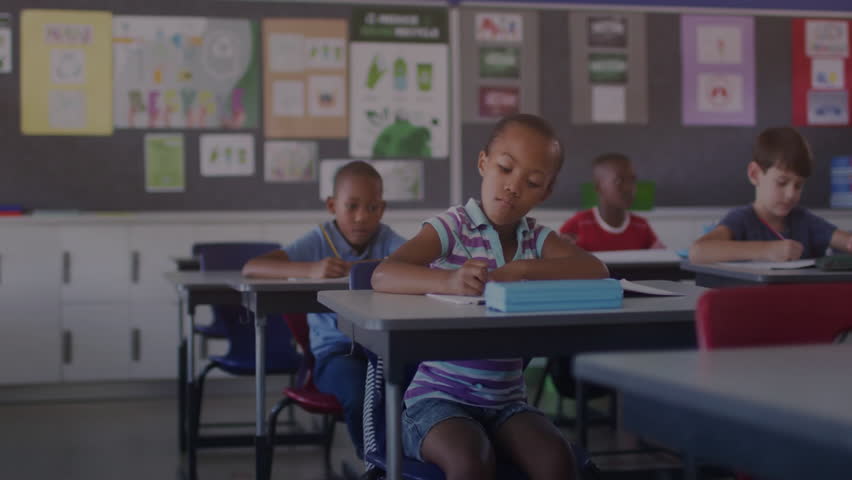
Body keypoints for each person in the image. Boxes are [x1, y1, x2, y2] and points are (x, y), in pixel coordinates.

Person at [371, 113, 608, 480]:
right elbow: (383, 274)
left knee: (556, 461)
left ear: (545, 192)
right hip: (437, 400)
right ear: (483, 163)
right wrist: (447, 280)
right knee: (471, 461)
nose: (513, 187)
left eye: (531, 182)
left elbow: (596, 271)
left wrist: (521, 270)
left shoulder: (536, 239)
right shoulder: (453, 227)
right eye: (505, 168)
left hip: (507, 403)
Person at [242, 160, 405, 457]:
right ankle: (374, 462)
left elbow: (417, 263)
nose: (361, 217)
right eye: (351, 206)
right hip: (335, 355)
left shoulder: (386, 239)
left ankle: (403, 459)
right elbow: (253, 267)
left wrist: (363, 269)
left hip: (382, 352)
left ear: (381, 210)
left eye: (371, 208)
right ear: (332, 205)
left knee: (417, 387)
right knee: (360, 395)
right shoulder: (320, 240)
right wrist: (311, 269)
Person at [689, 126, 852, 263]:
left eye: (799, 185)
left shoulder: (805, 221)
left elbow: (847, 242)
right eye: (781, 182)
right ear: (754, 174)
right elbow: (698, 251)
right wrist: (766, 250)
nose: (790, 194)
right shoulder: (742, 219)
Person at [559, 152, 664, 251]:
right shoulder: (577, 224)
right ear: (598, 187)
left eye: (632, 180)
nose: (629, 188)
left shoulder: (641, 226)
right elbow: (558, 262)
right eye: (619, 181)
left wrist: (661, 253)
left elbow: (662, 260)